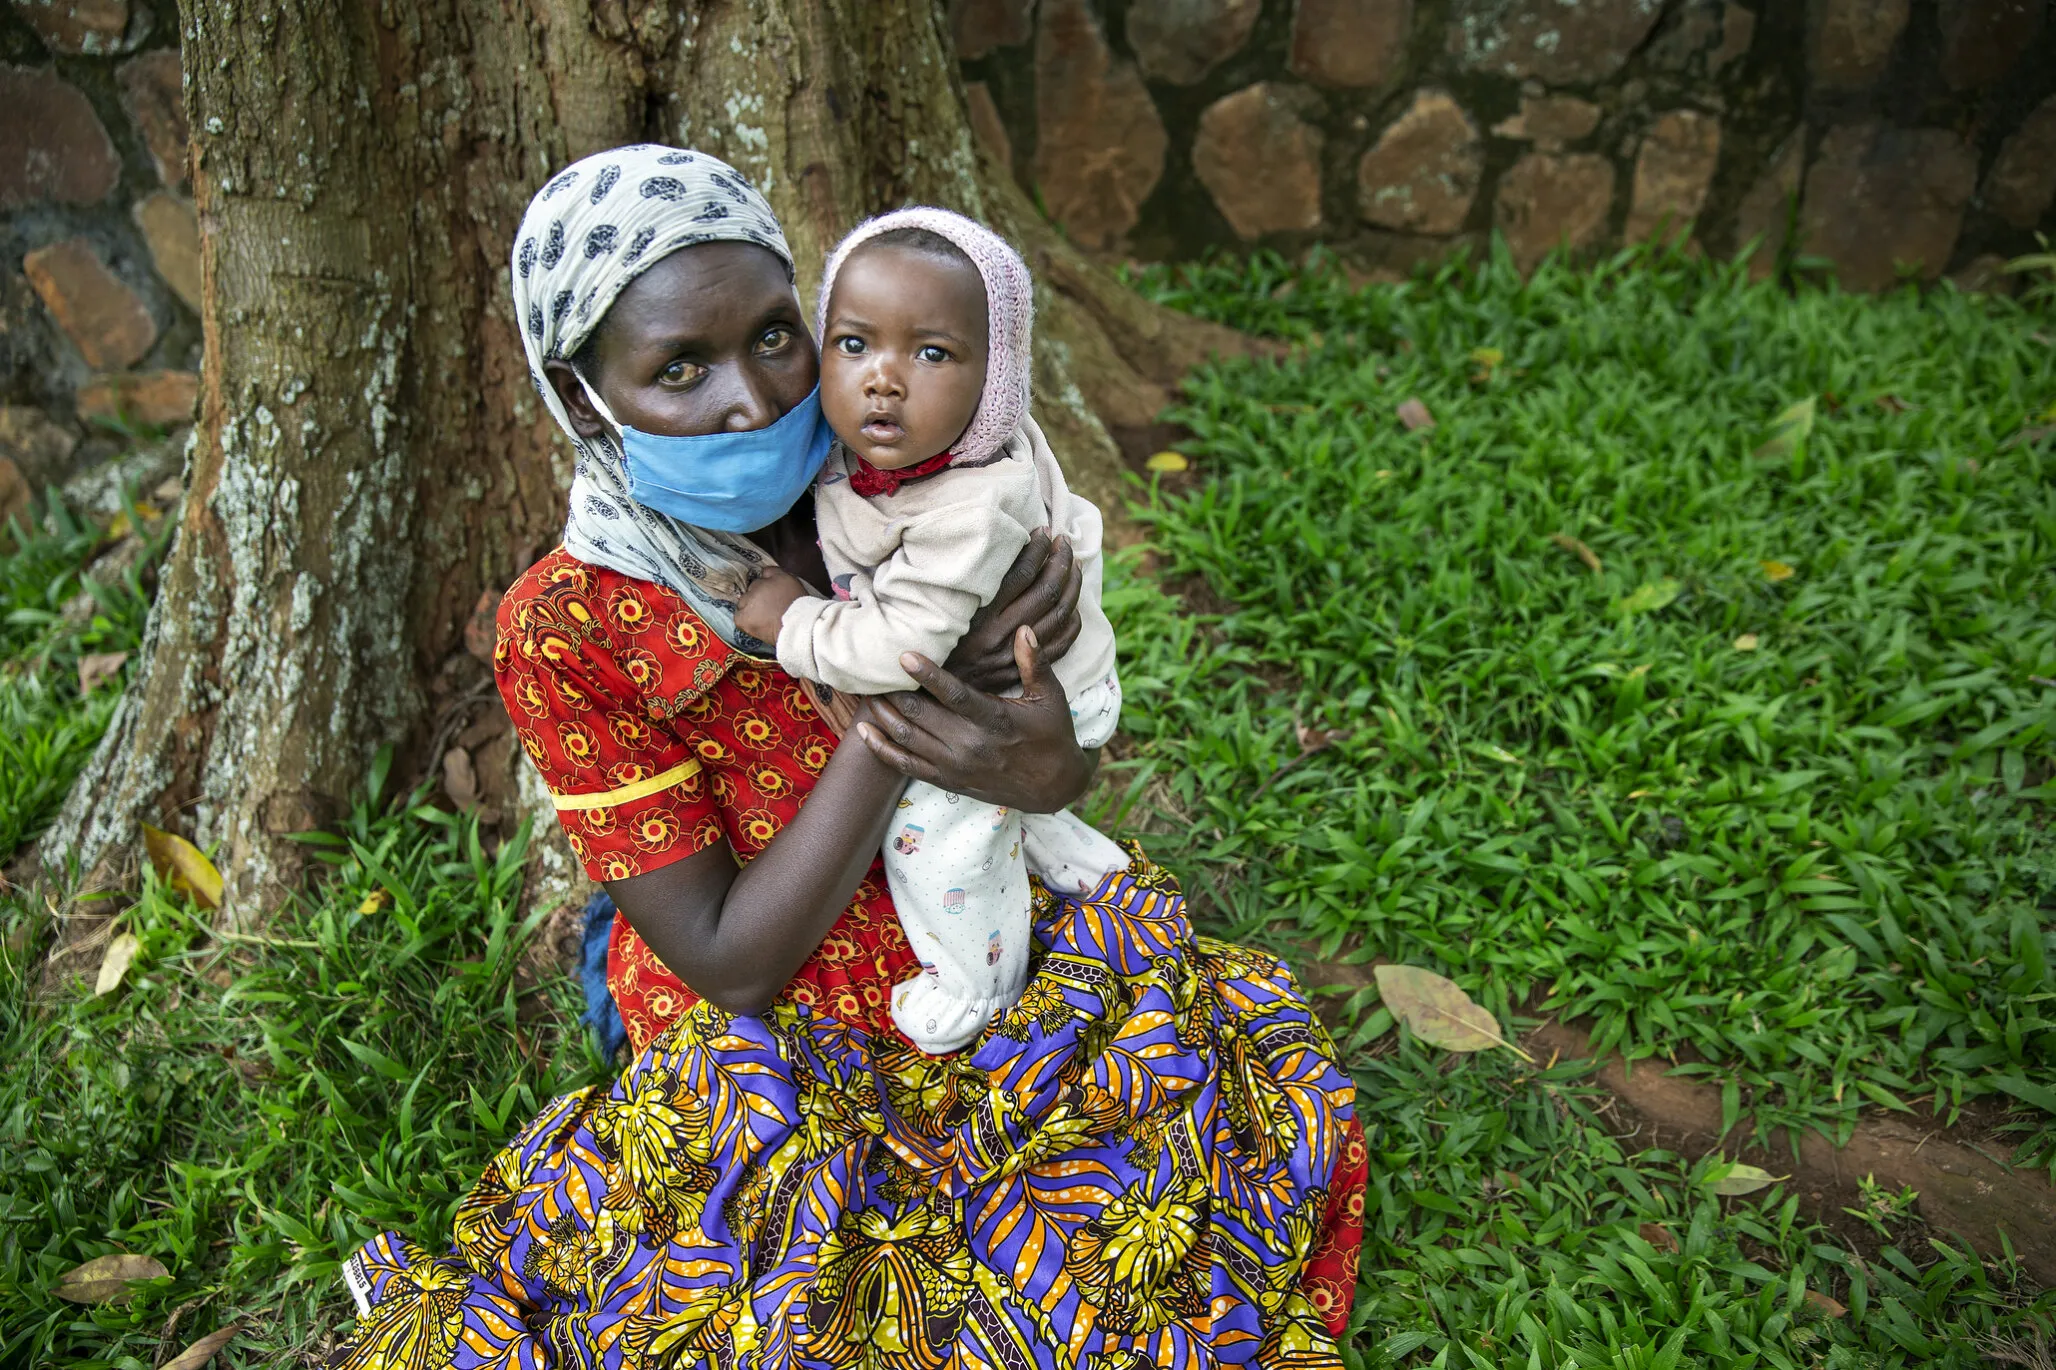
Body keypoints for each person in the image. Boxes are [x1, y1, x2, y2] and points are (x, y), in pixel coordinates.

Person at [331, 145, 1366, 1369]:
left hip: (959, 900)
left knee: (1169, 1136)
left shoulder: (910, 492)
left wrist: (1040, 757)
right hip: (757, 978)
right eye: (677, 367)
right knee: (830, 1269)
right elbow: (728, 962)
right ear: (580, 391)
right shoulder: (569, 625)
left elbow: (1045, 771)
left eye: (775, 338)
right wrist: (897, 706)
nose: (752, 401)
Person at [731, 207, 1124, 1057]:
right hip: (1028, 678)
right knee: (993, 802)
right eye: (853, 344)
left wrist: (791, 619)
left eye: (932, 353)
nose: (884, 378)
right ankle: (1061, 844)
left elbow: (896, 654)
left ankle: (976, 983)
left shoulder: (970, 505)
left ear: (997, 381)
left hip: (1025, 697)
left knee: (932, 839)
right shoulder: (901, 448)